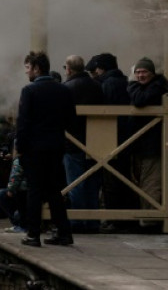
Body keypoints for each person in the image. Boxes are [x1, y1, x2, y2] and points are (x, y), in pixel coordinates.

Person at [16, 51, 75, 247]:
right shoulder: (64, 90)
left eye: (28, 68)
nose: (26, 72)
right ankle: (64, 232)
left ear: (36, 68)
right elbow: (71, 120)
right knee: (54, 190)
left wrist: (20, 148)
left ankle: (33, 234)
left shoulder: (29, 91)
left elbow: (23, 123)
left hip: (34, 149)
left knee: (34, 190)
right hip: (56, 146)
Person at [86, 52, 137, 233]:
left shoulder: (106, 84)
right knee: (123, 178)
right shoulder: (124, 82)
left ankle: (116, 220)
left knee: (111, 182)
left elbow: (104, 110)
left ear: (101, 68)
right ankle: (125, 219)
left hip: (111, 138)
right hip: (126, 137)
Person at [127, 57, 168, 233]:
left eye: (144, 72)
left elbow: (139, 99)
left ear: (152, 73)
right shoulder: (148, 86)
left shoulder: (157, 86)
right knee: (141, 182)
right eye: (137, 72)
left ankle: (150, 221)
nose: (140, 75)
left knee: (150, 183)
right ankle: (146, 218)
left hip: (151, 144)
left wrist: (132, 84)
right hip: (141, 143)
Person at [62, 55, 104, 233]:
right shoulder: (97, 85)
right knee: (92, 183)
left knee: (75, 183)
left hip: (72, 141)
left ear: (69, 69)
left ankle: (77, 221)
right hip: (95, 139)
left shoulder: (66, 88)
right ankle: (93, 222)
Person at [0, 137, 28, 233]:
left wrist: (11, 189)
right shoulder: (34, 157)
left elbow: (15, 177)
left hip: (23, 192)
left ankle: (19, 224)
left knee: (1, 194)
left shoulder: (19, 160)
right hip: (36, 193)